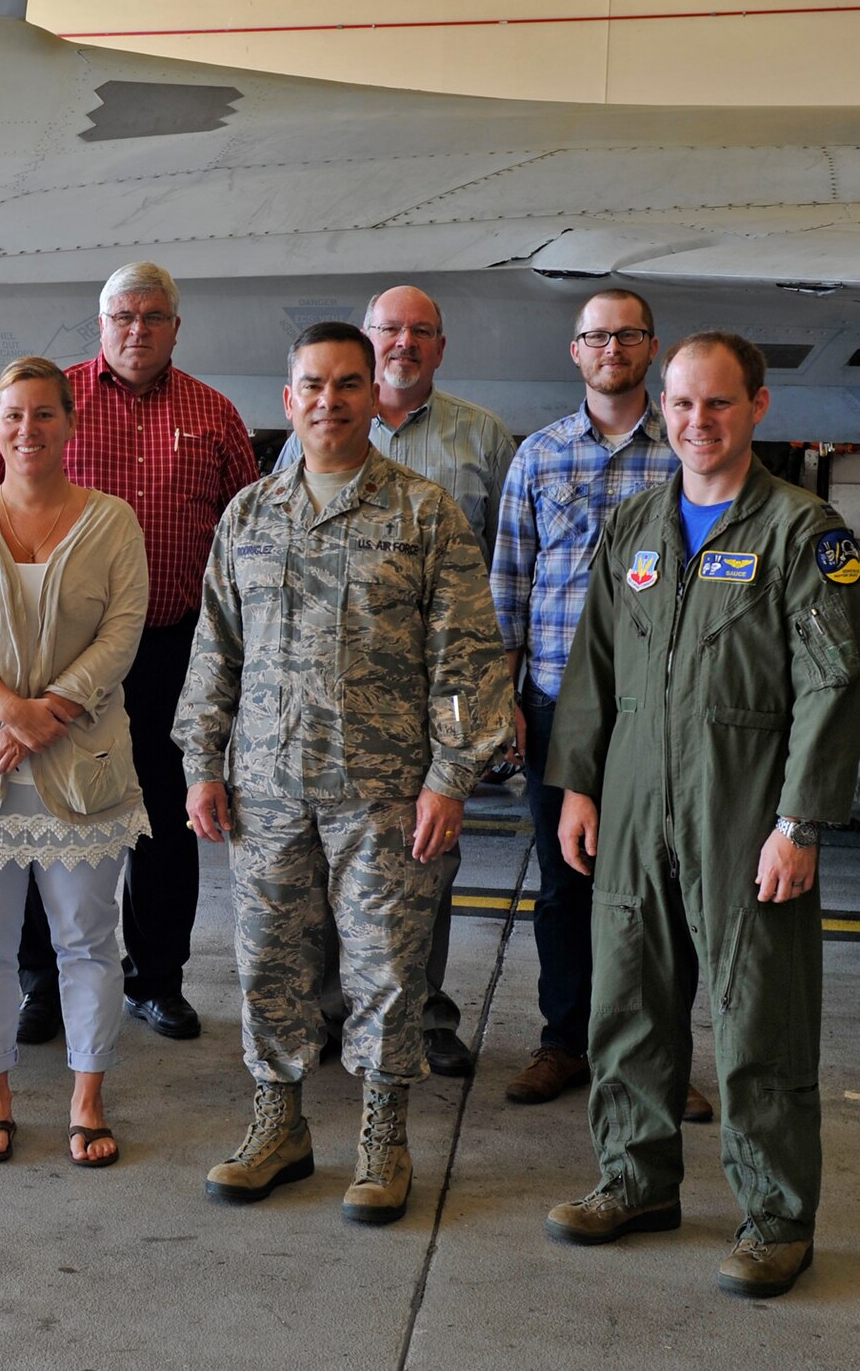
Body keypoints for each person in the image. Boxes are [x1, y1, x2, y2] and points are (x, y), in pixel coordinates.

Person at [543, 333, 860, 1299]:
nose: (697, 424)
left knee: (757, 1008)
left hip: (746, 803)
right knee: (627, 995)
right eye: (682, 405)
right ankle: (634, 1179)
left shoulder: (804, 533)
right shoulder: (639, 525)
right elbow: (594, 665)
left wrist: (799, 821)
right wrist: (580, 784)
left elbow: (835, 682)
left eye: (718, 405)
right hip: (636, 793)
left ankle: (776, 1217)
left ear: (757, 409)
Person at [178, 322, 510, 1223]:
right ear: (288, 400)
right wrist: (201, 761)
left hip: (386, 793)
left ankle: (382, 1139)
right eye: (313, 385)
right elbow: (217, 648)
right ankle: (278, 1128)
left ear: (374, 397)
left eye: (348, 384)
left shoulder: (422, 512)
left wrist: (448, 777)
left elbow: (468, 659)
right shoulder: (250, 511)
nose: (330, 400)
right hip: (267, 791)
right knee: (270, 967)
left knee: (388, 973)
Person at [0, 261, 256, 1045]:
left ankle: (159, 978)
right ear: (100, 324)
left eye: (153, 317)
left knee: (169, 823)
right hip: (59, 663)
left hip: (174, 651)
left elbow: (245, 535)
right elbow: (2, 514)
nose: (137, 329)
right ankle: (42, 982)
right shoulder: (53, 405)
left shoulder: (215, 415)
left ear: (177, 326)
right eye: (123, 317)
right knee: (52, 814)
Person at [274, 286, 514, 1077]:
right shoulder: (299, 449)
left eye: (420, 332)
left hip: (423, 708)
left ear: (438, 349)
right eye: (390, 330)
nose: (403, 343)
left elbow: (506, 572)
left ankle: (426, 1016)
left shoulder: (481, 439)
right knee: (329, 887)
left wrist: (483, 709)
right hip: (324, 714)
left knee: (422, 872)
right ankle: (345, 1018)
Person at [0, 356, 149, 1167]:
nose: (27, 429)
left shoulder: (114, 521)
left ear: (68, 423)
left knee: (87, 940)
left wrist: (48, 711)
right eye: (12, 415)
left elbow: (123, 633)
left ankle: (87, 1099)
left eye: (43, 414)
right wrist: (10, 711)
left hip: (79, 763)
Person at [490, 290, 712, 1121]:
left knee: (664, 885)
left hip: (658, 709)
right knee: (562, 886)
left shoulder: (685, 454)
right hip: (554, 702)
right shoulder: (539, 457)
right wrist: (504, 697)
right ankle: (564, 1041)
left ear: (650, 348)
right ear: (574, 352)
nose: (610, 347)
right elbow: (508, 583)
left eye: (625, 334)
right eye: (595, 336)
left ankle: (658, 1052)